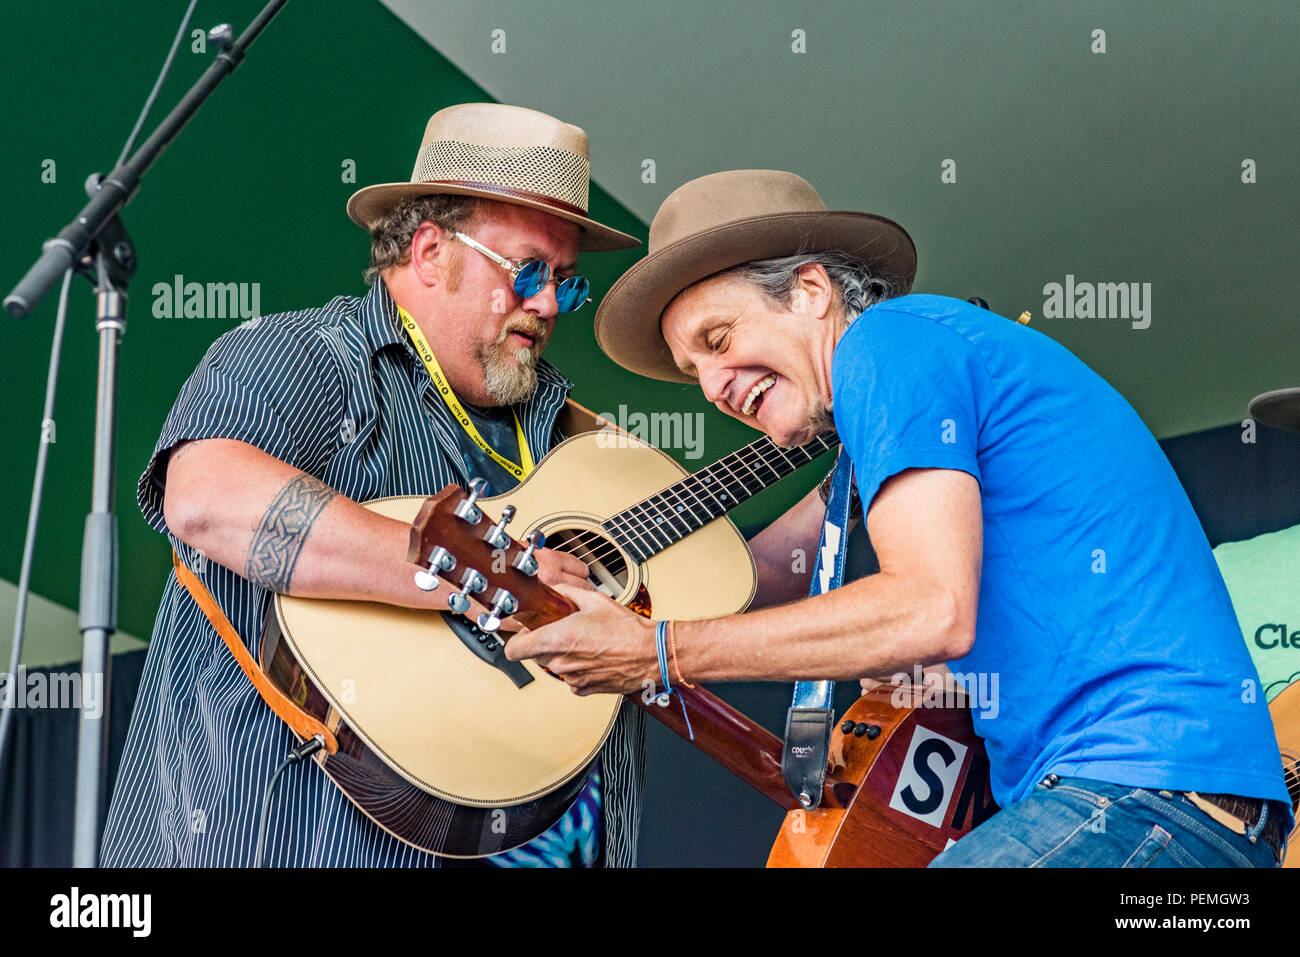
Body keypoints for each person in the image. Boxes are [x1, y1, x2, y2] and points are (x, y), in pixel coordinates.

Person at [507, 169, 1294, 867]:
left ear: (812, 290)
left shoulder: (889, 342)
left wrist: (656, 651)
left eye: (719, 339)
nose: (713, 384)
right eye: (694, 372)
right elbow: (767, 576)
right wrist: (608, 600)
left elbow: (929, 608)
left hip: (1142, 796)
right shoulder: (885, 406)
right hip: (1189, 818)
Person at [100, 103, 645, 867]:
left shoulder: (574, 435)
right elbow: (207, 497)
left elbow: (715, 587)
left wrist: (830, 497)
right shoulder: (307, 357)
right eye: (527, 270)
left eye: (565, 282)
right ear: (429, 252)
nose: (549, 303)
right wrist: (491, 581)